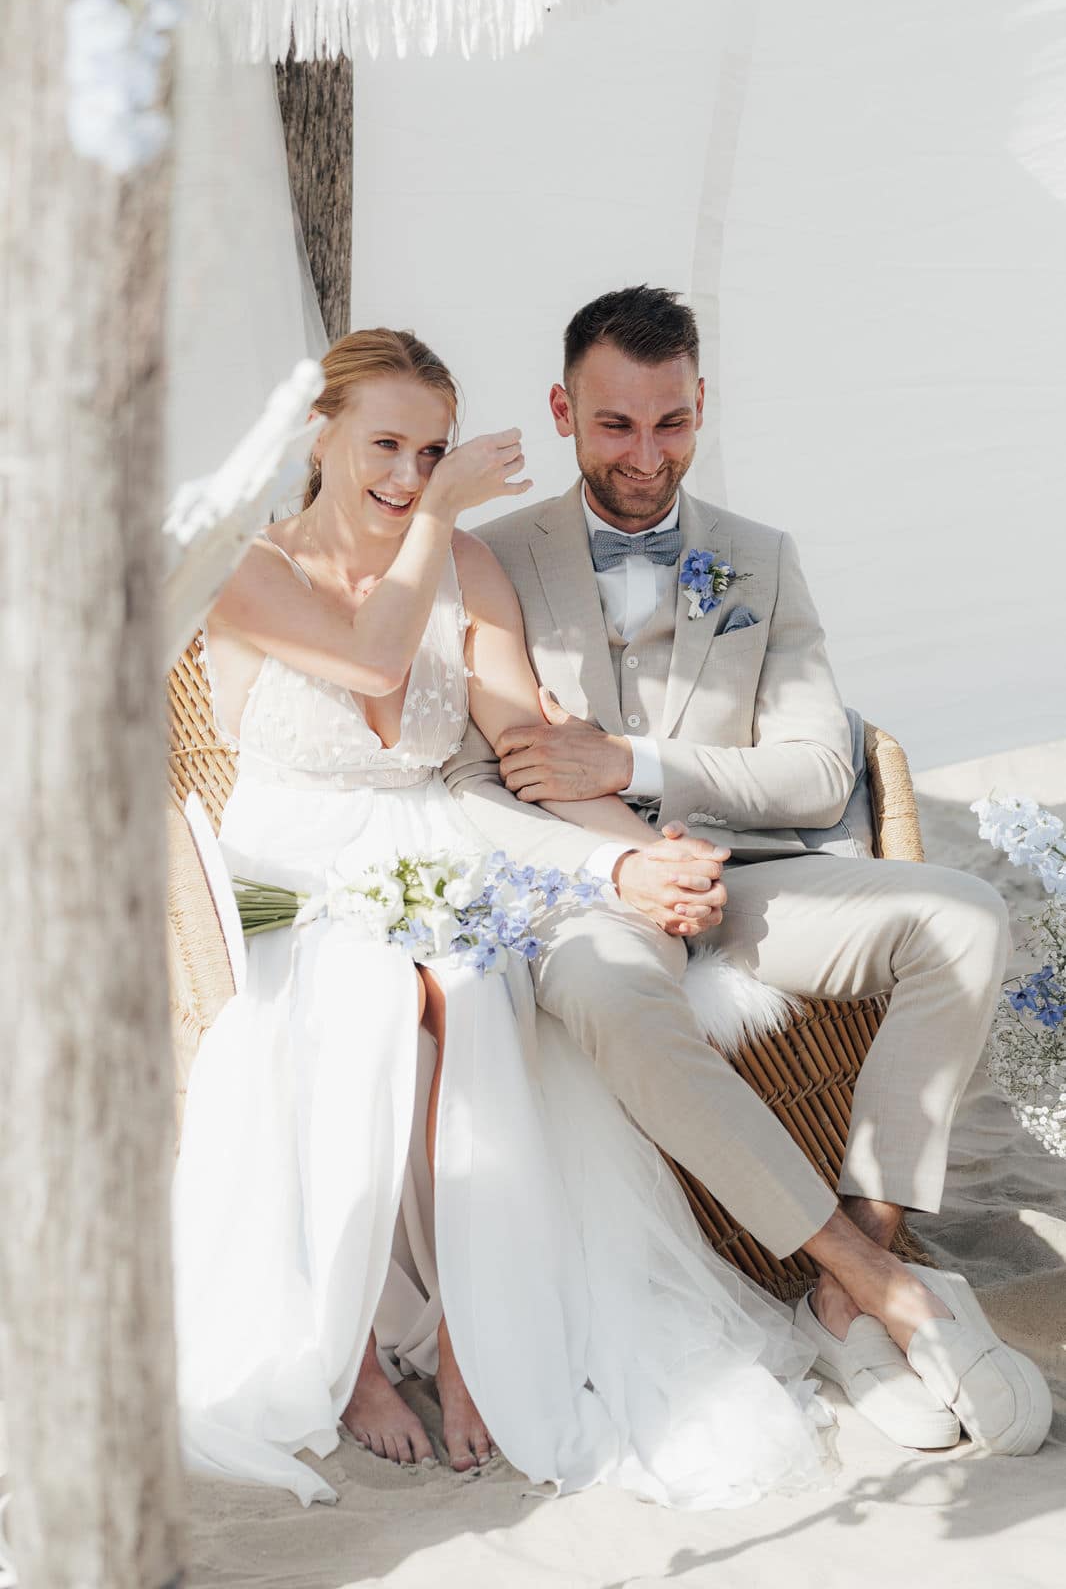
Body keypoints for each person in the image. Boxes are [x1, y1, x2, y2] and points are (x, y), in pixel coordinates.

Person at [173, 327, 836, 1510]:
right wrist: (444, 514)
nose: (409, 475)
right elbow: (377, 669)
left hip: (438, 848)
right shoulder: (249, 564)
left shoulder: (466, 568)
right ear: (314, 440)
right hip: (289, 871)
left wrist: (645, 860)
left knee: (473, 992)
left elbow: (531, 751)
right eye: (385, 445)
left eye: (431, 452)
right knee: (363, 999)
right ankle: (364, 1351)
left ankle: (475, 1337)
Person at [443, 285, 1053, 1459]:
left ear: (701, 404)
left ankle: (842, 1286)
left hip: (755, 880)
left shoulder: (758, 560)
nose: (645, 454)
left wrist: (633, 758)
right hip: (591, 892)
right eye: (616, 425)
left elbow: (820, 774)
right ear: (565, 410)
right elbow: (468, 780)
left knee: (966, 919)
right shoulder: (491, 559)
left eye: (671, 423)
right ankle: (876, 1282)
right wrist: (619, 861)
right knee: (619, 994)